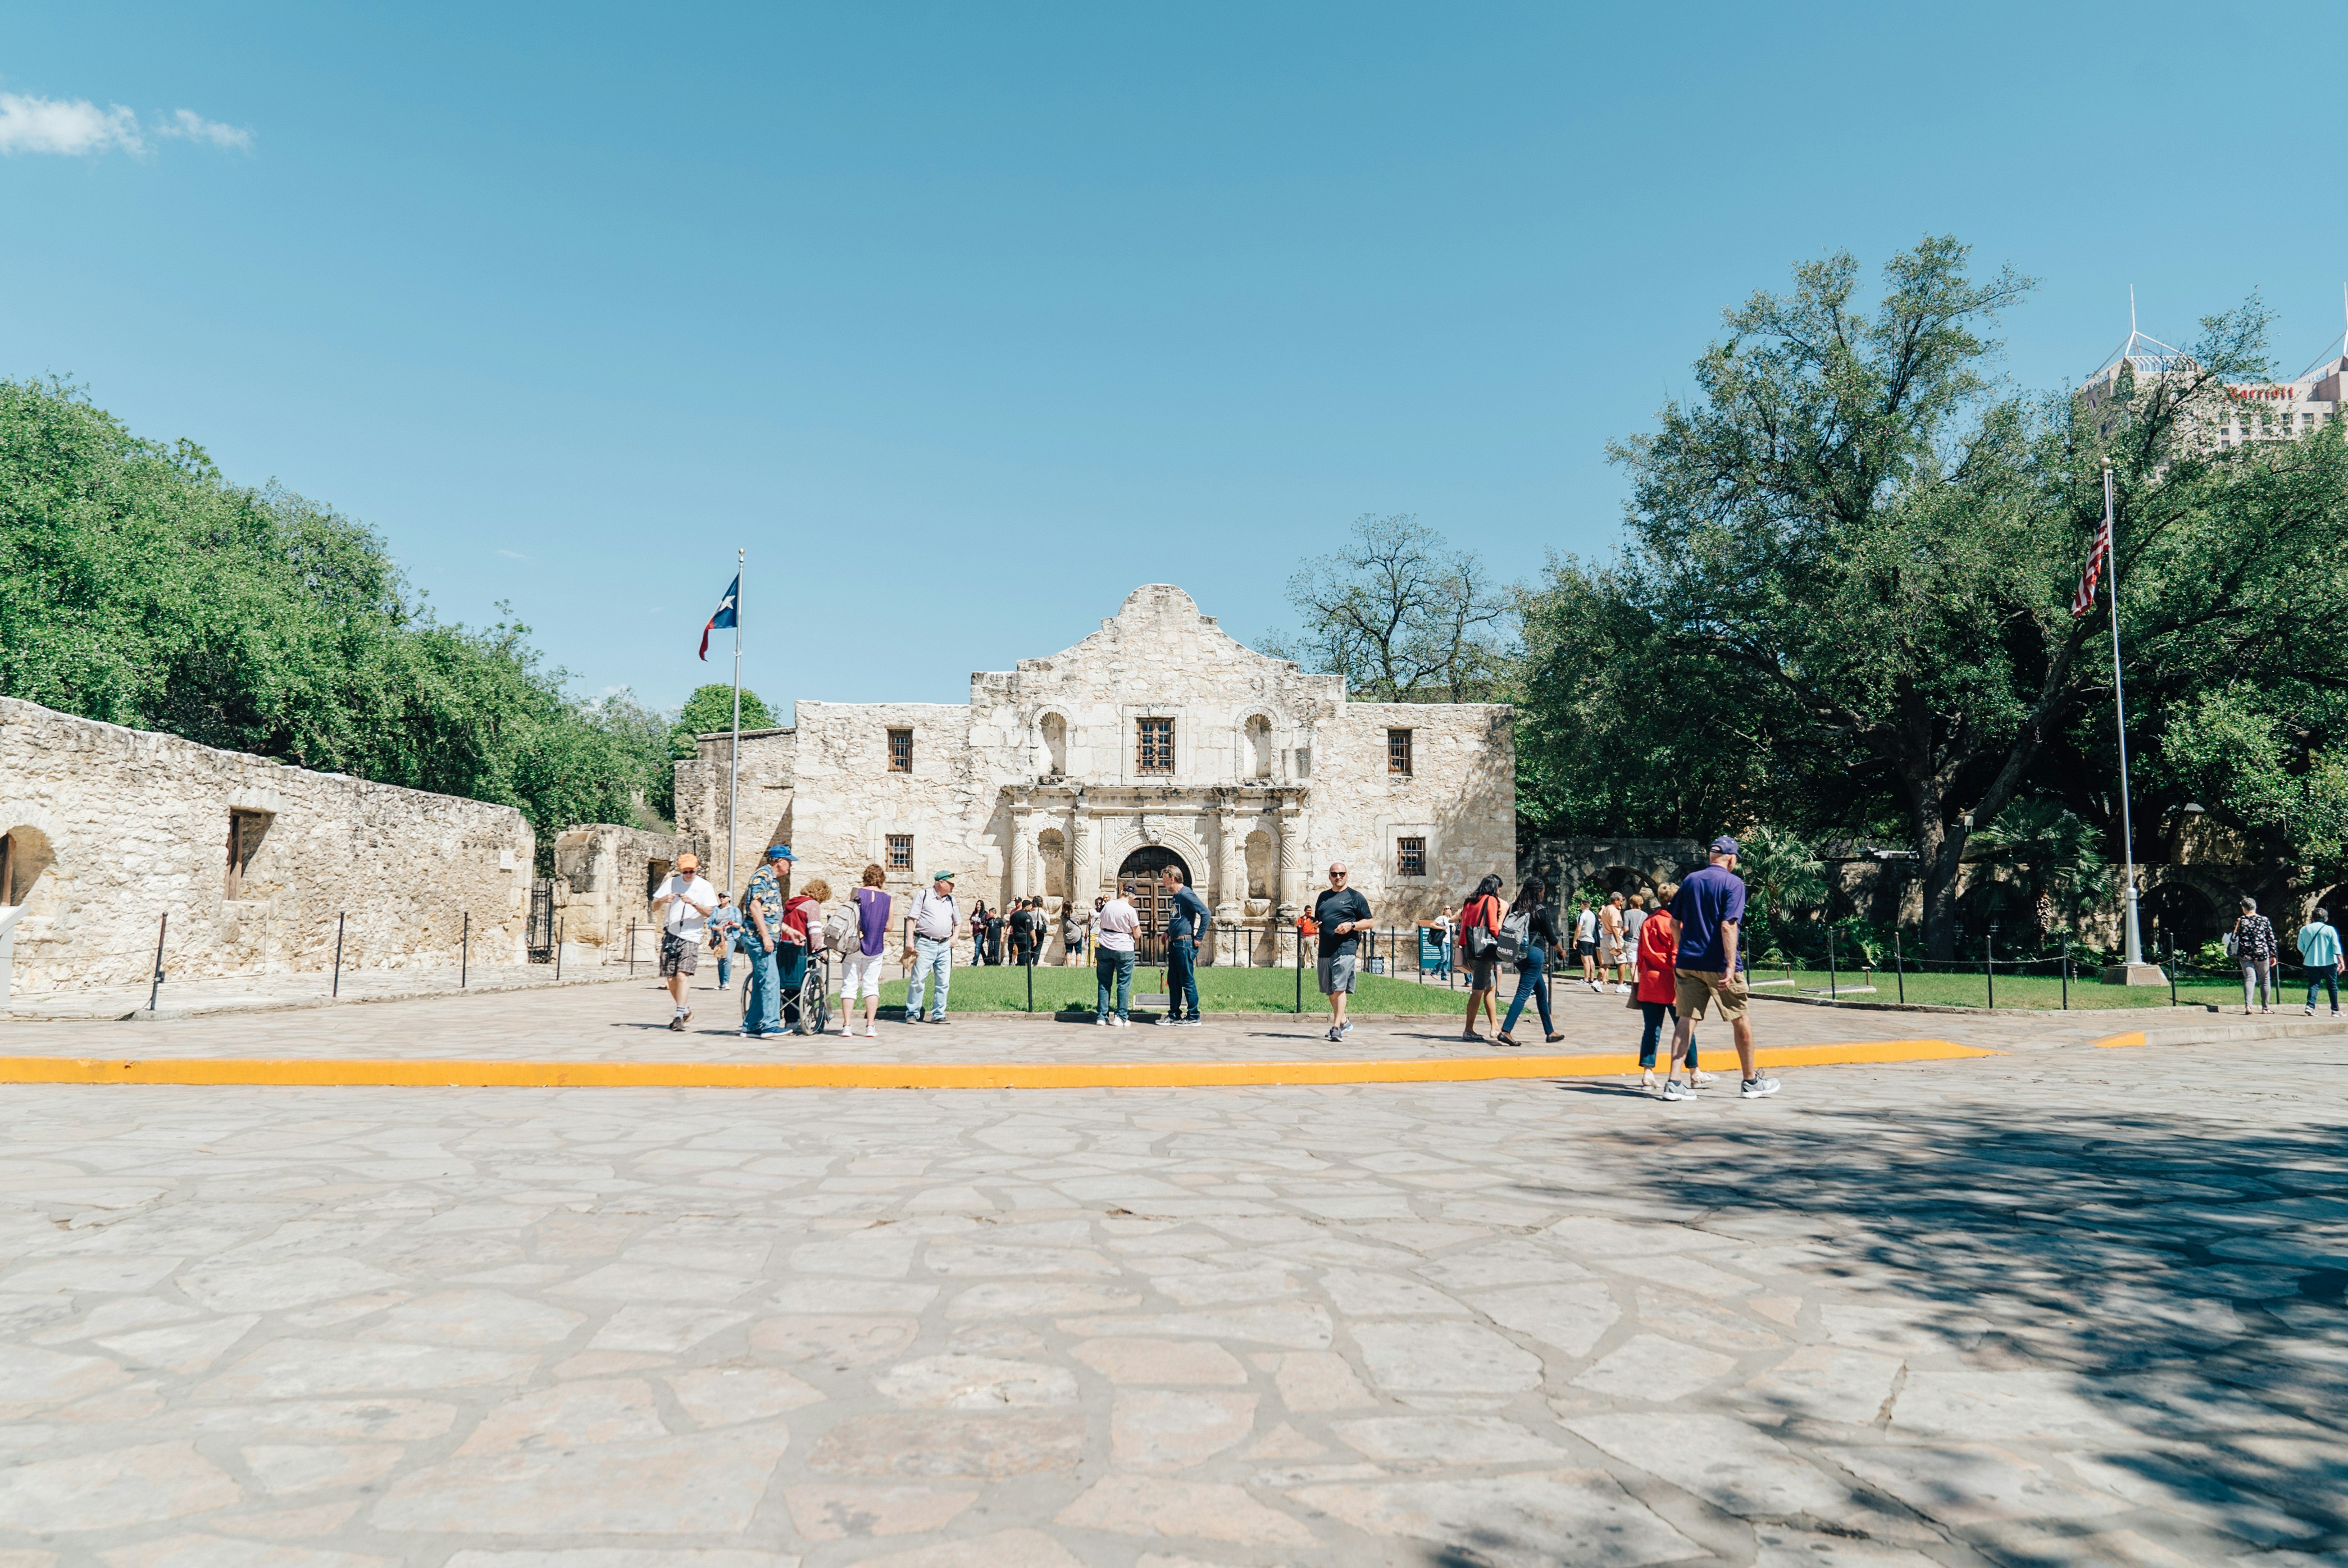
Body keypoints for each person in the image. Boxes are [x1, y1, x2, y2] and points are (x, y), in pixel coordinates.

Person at [1659, 837, 1777, 1100]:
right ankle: (1750, 1081)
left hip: (1688, 962)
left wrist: (1681, 951)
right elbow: (1728, 925)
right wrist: (1728, 965)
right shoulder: (1733, 883)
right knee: (1740, 1018)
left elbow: (1674, 923)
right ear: (1732, 859)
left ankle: (1674, 1082)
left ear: (1712, 857)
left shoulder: (1690, 881)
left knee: (1686, 1019)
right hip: (1719, 963)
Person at [1633, 882, 1703, 1090]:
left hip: (1650, 981)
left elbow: (1641, 953)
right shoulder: (1677, 923)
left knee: (1651, 1029)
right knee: (1685, 1029)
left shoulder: (1648, 921)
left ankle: (1648, 1072)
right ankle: (1694, 1071)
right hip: (1673, 983)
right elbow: (1676, 953)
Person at [651, 851, 718, 1032]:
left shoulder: (704, 886)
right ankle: (685, 1009)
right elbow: (654, 906)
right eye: (685, 872)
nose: (688, 874)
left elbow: (711, 913)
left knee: (682, 975)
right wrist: (662, 900)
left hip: (691, 936)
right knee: (670, 978)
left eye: (691, 871)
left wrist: (694, 903)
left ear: (697, 868)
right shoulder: (672, 882)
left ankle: (679, 1015)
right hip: (671, 933)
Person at [1498, 877, 1564, 1047]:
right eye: (1542, 891)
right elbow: (1551, 937)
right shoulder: (1540, 910)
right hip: (1534, 955)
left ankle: (1550, 1032)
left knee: (1541, 992)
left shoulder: (1514, 907)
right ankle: (1506, 1031)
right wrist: (1561, 951)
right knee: (1523, 993)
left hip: (1517, 955)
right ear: (1538, 892)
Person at [1314, 862, 1374, 1043]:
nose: (1338, 877)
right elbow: (1320, 919)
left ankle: (1336, 1028)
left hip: (1346, 948)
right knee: (1330, 990)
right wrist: (1316, 926)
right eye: (1334, 874)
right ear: (1329, 876)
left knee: (1339, 987)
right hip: (1326, 949)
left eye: (1342, 874)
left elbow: (1370, 922)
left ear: (1347, 875)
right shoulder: (1323, 897)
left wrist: (1352, 925)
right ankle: (1344, 1021)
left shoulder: (1355, 897)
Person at [739, 845, 791, 1038]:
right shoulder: (762, 876)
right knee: (771, 980)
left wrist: (788, 930)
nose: (791, 865)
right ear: (779, 861)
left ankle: (751, 1025)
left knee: (763, 982)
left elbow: (770, 914)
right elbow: (755, 906)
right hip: (758, 939)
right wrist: (766, 937)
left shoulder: (772, 879)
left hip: (765, 937)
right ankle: (770, 1025)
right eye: (789, 861)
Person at [843, 864, 892, 1038]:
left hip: (854, 944)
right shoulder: (887, 899)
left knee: (849, 984)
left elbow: (844, 915)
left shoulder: (856, 893)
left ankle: (847, 1026)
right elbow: (890, 926)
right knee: (871, 985)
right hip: (875, 945)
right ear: (881, 879)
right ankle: (870, 1026)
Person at [905, 870, 961, 1024]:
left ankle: (938, 1014)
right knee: (918, 980)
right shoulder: (923, 896)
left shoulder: (951, 900)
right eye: (950, 883)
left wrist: (954, 938)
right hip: (924, 943)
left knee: (943, 982)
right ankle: (913, 1013)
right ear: (941, 883)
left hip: (944, 946)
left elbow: (958, 922)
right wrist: (910, 941)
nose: (953, 886)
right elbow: (911, 919)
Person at [1161, 865, 1211, 1025]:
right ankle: (1174, 1014)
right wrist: (1168, 932)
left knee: (1187, 979)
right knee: (1174, 980)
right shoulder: (1176, 897)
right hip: (1175, 943)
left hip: (1185, 943)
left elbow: (1206, 913)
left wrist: (1198, 937)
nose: (1164, 884)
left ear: (1173, 879)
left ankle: (1194, 1015)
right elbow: (1178, 919)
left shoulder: (1186, 894)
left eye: (1165, 880)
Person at [1458, 873, 1505, 1042]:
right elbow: (1492, 926)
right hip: (1483, 951)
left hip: (1471, 948)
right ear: (1494, 888)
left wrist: (1461, 946)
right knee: (1478, 990)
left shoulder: (1469, 900)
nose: (1499, 893)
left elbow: (1463, 926)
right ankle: (1469, 1029)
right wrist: (1505, 940)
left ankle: (1495, 1027)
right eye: (1499, 890)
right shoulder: (1490, 900)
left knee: (1491, 986)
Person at [777, 878, 828, 1032]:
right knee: (802, 982)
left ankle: (789, 1020)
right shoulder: (812, 905)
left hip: (783, 948)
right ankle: (796, 1019)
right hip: (801, 949)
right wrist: (820, 950)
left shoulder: (792, 902)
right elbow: (814, 930)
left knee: (787, 983)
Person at [1095, 887, 1140, 1027]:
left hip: (1104, 945)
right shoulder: (1130, 910)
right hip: (1124, 947)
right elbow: (1137, 933)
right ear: (1134, 897)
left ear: (1121, 892)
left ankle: (1102, 1017)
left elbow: (1101, 923)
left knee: (1104, 982)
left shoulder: (1108, 905)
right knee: (1123, 983)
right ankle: (1120, 1017)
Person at [2232, 896, 2279, 1014]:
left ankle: (2248, 1006)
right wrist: (2273, 954)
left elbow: (2234, 937)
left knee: (2249, 978)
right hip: (2261, 953)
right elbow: (2270, 938)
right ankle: (2265, 1008)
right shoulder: (2264, 920)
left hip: (2245, 954)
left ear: (2244, 908)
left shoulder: (2240, 921)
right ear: (2255, 907)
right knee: (2265, 980)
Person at [2298, 905, 2342, 1017]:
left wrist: (2306, 953)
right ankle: (2335, 1010)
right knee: (2332, 985)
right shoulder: (2330, 929)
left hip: (2310, 962)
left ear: (2313, 918)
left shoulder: (2305, 929)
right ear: (2326, 919)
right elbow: (2336, 946)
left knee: (2314, 984)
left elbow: (2300, 946)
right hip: (2329, 961)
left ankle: (2310, 1006)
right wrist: (2341, 961)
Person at [708, 892, 741, 991]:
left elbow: (739, 924)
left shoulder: (735, 910)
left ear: (729, 898)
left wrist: (731, 923)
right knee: (720, 960)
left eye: (724, 897)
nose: (722, 899)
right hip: (719, 938)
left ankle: (726, 982)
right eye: (720, 897)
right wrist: (718, 928)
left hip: (730, 937)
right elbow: (710, 923)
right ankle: (721, 983)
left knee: (728, 959)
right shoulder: (716, 910)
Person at [1598, 892, 1627, 993]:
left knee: (1607, 962)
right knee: (1622, 960)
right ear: (1616, 900)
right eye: (1621, 901)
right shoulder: (1614, 911)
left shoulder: (1606, 909)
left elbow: (1600, 916)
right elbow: (1615, 927)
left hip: (1605, 937)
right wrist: (1618, 942)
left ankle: (1597, 982)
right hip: (1612, 938)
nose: (1621, 903)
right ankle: (1620, 985)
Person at [1575, 899, 1600, 990]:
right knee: (1591, 958)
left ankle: (1586, 979)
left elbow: (1579, 929)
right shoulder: (1593, 915)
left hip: (1584, 939)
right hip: (1592, 940)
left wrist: (1575, 940)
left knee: (1585, 959)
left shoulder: (1582, 915)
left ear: (1582, 905)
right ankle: (1592, 978)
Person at [1063, 898, 1091, 966]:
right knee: (1078, 952)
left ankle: (1068, 967)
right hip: (1077, 935)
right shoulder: (1075, 915)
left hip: (1068, 936)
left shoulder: (1062, 917)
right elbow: (1080, 920)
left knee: (1069, 952)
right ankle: (1078, 967)